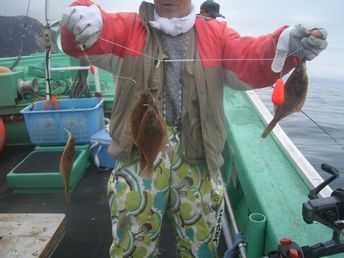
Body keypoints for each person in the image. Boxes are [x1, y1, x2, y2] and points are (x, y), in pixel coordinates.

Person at [60, 0, 327, 257]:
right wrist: (80, 19)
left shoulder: (217, 35)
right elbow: (88, 38)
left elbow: (250, 59)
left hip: (197, 153)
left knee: (201, 246)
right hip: (137, 154)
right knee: (131, 247)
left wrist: (286, 45)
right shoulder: (127, 28)